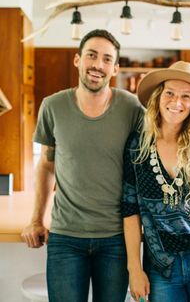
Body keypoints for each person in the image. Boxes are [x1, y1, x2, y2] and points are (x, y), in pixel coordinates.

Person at [21, 29, 144, 302]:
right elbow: (46, 165)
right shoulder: (52, 106)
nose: (98, 65)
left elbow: (151, 158)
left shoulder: (132, 108)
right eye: (91, 55)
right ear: (77, 60)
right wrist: (35, 219)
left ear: (115, 68)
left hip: (116, 238)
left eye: (106, 59)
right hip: (65, 237)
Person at [121, 61, 190, 302]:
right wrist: (134, 268)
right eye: (170, 93)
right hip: (162, 265)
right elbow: (130, 209)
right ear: (158, 97)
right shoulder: (138, 146)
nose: (177, 102)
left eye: (186, 96)